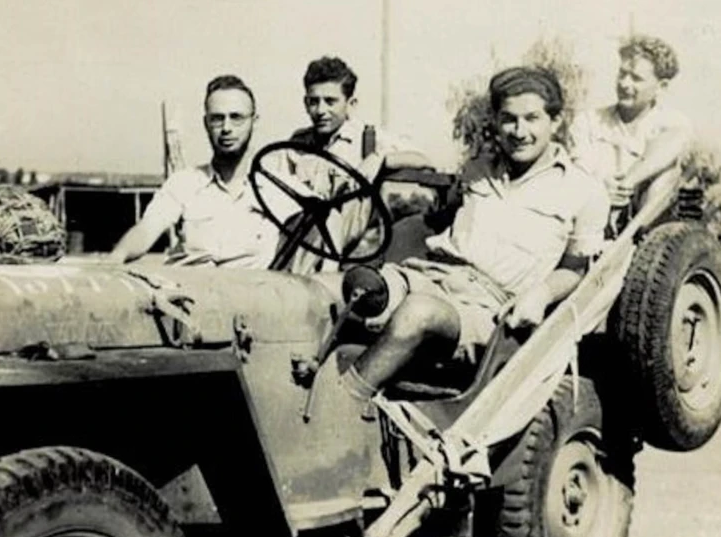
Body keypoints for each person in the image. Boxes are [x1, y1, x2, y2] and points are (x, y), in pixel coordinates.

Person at [326, 66, 610, 399]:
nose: (519, 131)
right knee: (336, 287)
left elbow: (574, 269)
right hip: (429, 274)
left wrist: (541, 295)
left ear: (556, 121)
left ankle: (341, 403)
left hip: (489, 309)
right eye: (509, 119)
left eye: (532, 118)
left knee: (419, 313)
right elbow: (444, 215)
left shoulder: (584, 191)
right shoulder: (477, 169)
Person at [108, 75, 294, 268]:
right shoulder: (184, 183)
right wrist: (116, 257)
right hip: (189, 290)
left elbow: (319, 231)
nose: (226, 128)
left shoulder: (281, 189)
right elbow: (148, 228)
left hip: (251, 292)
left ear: (254, 122)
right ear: (206, 123)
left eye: (236, 118)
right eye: (217, 119)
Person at [277, 56, 429, 273]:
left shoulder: (366, 139)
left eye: (330, 101)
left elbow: (423, 159)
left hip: (346, 244)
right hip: (298, 236)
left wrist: (379, 158)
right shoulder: (297, 143)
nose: (321, 110)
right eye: (313, 101)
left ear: (350, 104)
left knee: (328, 217)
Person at [568, 34, 694, 235]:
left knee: (666, 176)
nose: (625, 84)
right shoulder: (589, 120)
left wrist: (627, 182)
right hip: (591, 214)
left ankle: (642, 242)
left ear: (661, 87)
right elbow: (579, 170)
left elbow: (673, 144)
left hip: (643, 219)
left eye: (636, 78)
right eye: (622, 74)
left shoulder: (672, 123)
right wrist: (603, 186)